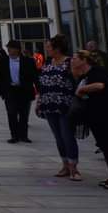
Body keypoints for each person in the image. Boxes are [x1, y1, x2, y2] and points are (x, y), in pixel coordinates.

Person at [36, 35, 81, 181]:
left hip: (65, 105)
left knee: (67, 135)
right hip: (49, 105)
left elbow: (77, 81)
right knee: (58, 136)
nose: (47, 49)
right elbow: (42, 84)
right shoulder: (48, 63)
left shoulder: (69, 63)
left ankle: (74, 167)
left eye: (49, 47)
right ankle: (65, 164)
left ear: (57, 48)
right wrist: (40, 101)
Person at [69, 49, 108, 189]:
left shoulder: (96, 71)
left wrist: (82, 90)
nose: (72, 60)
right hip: (95, 116)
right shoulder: (84, 75)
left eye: (75, 58)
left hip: (106, 115)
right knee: (105, 147)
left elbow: (100, 85)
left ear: (83, 60)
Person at [0, 39, 40, 144]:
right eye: (8, 48)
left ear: (17, 49)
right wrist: (0, 92)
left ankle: (24, 135)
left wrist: (39, 90)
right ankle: (14, 135)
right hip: (10, 91)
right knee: (11, 114)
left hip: (24, 90)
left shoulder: (28, 61)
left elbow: (35, 77)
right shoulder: (3, 61)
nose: (9, 50)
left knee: (24, 114)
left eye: (11, 48)